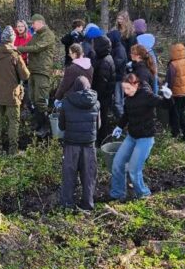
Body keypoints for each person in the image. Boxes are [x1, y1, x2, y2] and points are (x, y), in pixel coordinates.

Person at [109, 73, 172, 201]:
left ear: (136, 85)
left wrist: (168, 97)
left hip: (145, 138)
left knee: (133, 169)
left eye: (128, 88)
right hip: (132, 136)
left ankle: (144, 195)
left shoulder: (147, 95)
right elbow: (126, 115)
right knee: (117, 163)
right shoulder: (129, 98)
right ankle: (118, 194)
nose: (126, 92)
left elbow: (164, 105)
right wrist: (119, 127)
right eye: (124, 89)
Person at [58, 76, 100, 211]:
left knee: (69, 174)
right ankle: (88, 204)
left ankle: (67, 205)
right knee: (89, 175)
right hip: (89, 145)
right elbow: (98, 125)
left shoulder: (66, 102)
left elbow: (61, 126)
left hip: (71, 144)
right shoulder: (96, 103)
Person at [0, 26, 31, 155]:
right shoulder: (14, 55)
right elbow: (25, 75)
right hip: (12, 95)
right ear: (12, 40)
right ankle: (13, 151)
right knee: (13, 122)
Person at [17, 14, 58, 136]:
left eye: (33, 23)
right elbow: (27, 45)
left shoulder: (48, 35)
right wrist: (17, 49)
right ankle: (38, 123)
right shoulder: (37, 35)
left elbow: (36, 48)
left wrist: (17, 48)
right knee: (32, 99)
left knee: (40, 99)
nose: (32, 26)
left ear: (40, 22)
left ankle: (47, 127)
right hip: (33, 70)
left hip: (42, 71)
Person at [91, 34, 116, 144]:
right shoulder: (104, 57)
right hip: (104, 95)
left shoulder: (105, 61)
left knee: (102, 118)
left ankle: (101, 140)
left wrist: (95, 95)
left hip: (103, 96)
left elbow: (102, 82)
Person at [166, 43, 185, 142]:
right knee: (180, 111)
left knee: (176, 113)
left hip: (177, 93)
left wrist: (166, 91)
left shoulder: (173, 65)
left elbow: (170, 80)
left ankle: (178, 133)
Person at [108, 29, 129, 118]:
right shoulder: (115, 48)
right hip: (116, 77)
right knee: (117, 100)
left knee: (119, 101)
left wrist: (108, 65)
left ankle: (122, 119)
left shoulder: (120, 49)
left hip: (119, 78)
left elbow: (116, 64)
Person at [14, 20, 33, 111]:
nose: (20, 28)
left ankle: (27, 103)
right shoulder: (13, 36)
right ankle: (16, 103)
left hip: (25, 63)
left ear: (25, 27)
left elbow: (30, 50)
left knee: (26, 84)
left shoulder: (29, 37)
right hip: (14, 63)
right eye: (18, 26)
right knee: (15, 83)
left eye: (22, 26)